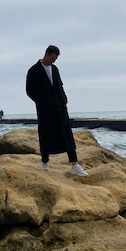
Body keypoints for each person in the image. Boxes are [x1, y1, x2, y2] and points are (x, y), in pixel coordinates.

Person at [26, 45, 88, 176]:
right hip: (45, 110)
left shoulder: (55, 69)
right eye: (52, 59)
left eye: (55, 60)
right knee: (45, 134)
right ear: (47, 54)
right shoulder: (33, 70)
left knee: (67, 134)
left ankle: (75, 165)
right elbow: (30, 91)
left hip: (60, 108)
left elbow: (60, 86)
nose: (53, 62)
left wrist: (64, 100)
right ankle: (44, 163)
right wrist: (42, 102)